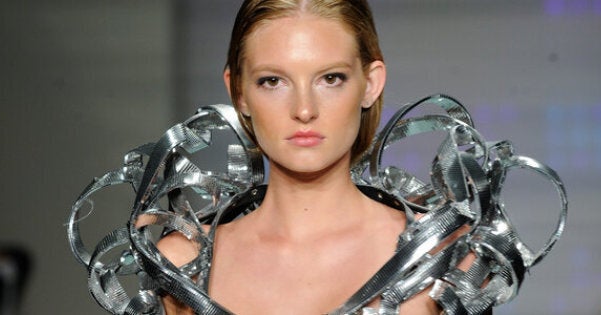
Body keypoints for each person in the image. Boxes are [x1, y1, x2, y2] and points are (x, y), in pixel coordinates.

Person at [157, 0, 452, 314]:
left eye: (330, 79)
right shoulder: (183, 264)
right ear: (239, 92)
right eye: (272, 81)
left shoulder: (439, 253)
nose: (304, 110)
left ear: (370, 83)